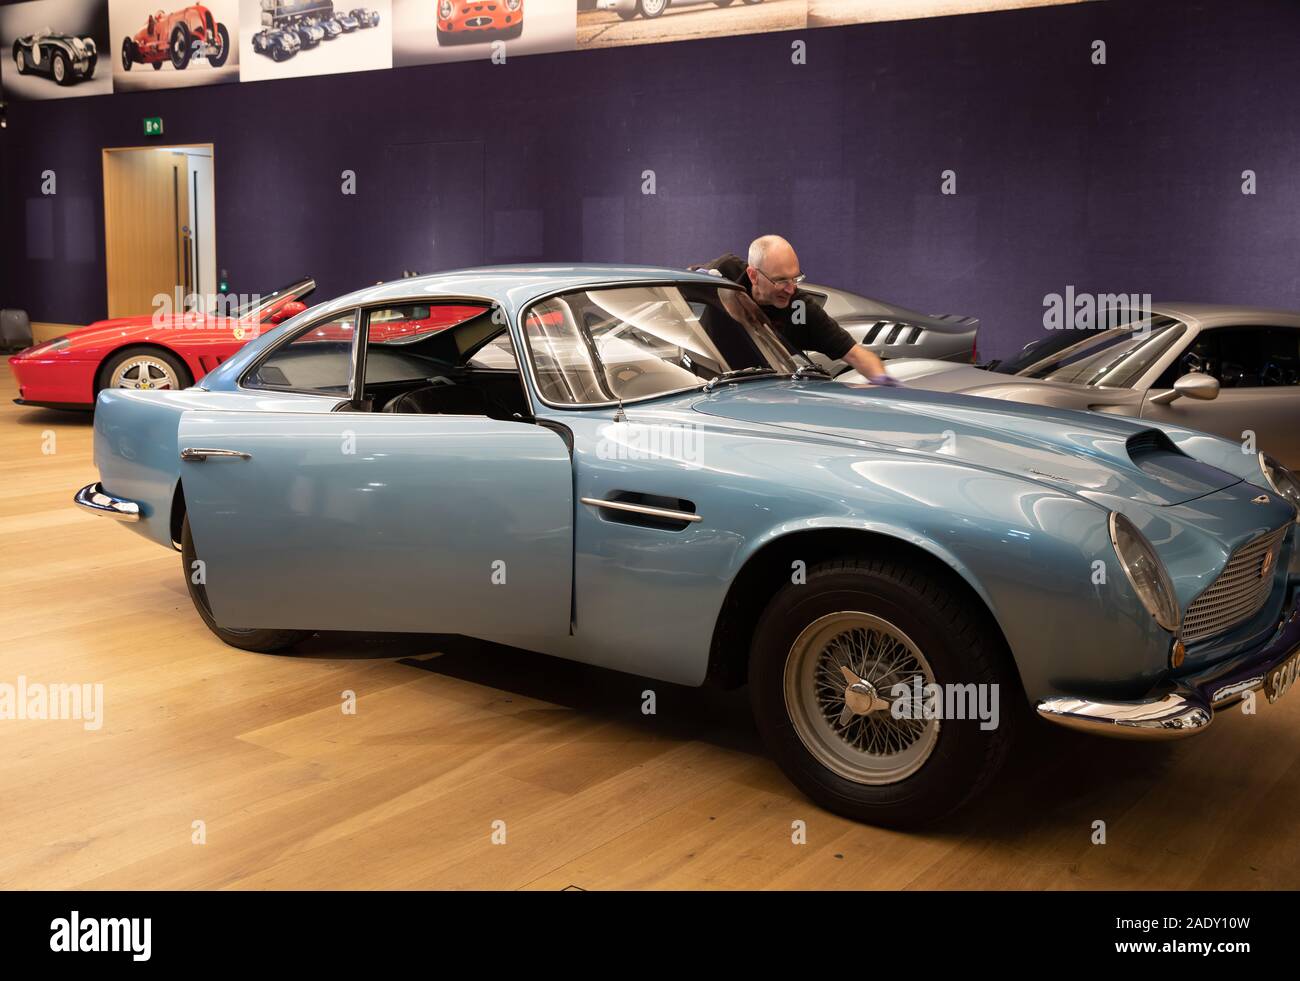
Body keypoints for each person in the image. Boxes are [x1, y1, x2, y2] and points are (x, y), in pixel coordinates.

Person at [696, 235, 900, 386]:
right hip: (700, 382)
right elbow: (678, 289)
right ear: (753, 275)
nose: (791, 288)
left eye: (795, 278)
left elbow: (856, 355)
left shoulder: (799, 309)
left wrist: (883, 381)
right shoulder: (725, 272)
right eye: (781, 280)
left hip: (760, 395)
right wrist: (703, 282)